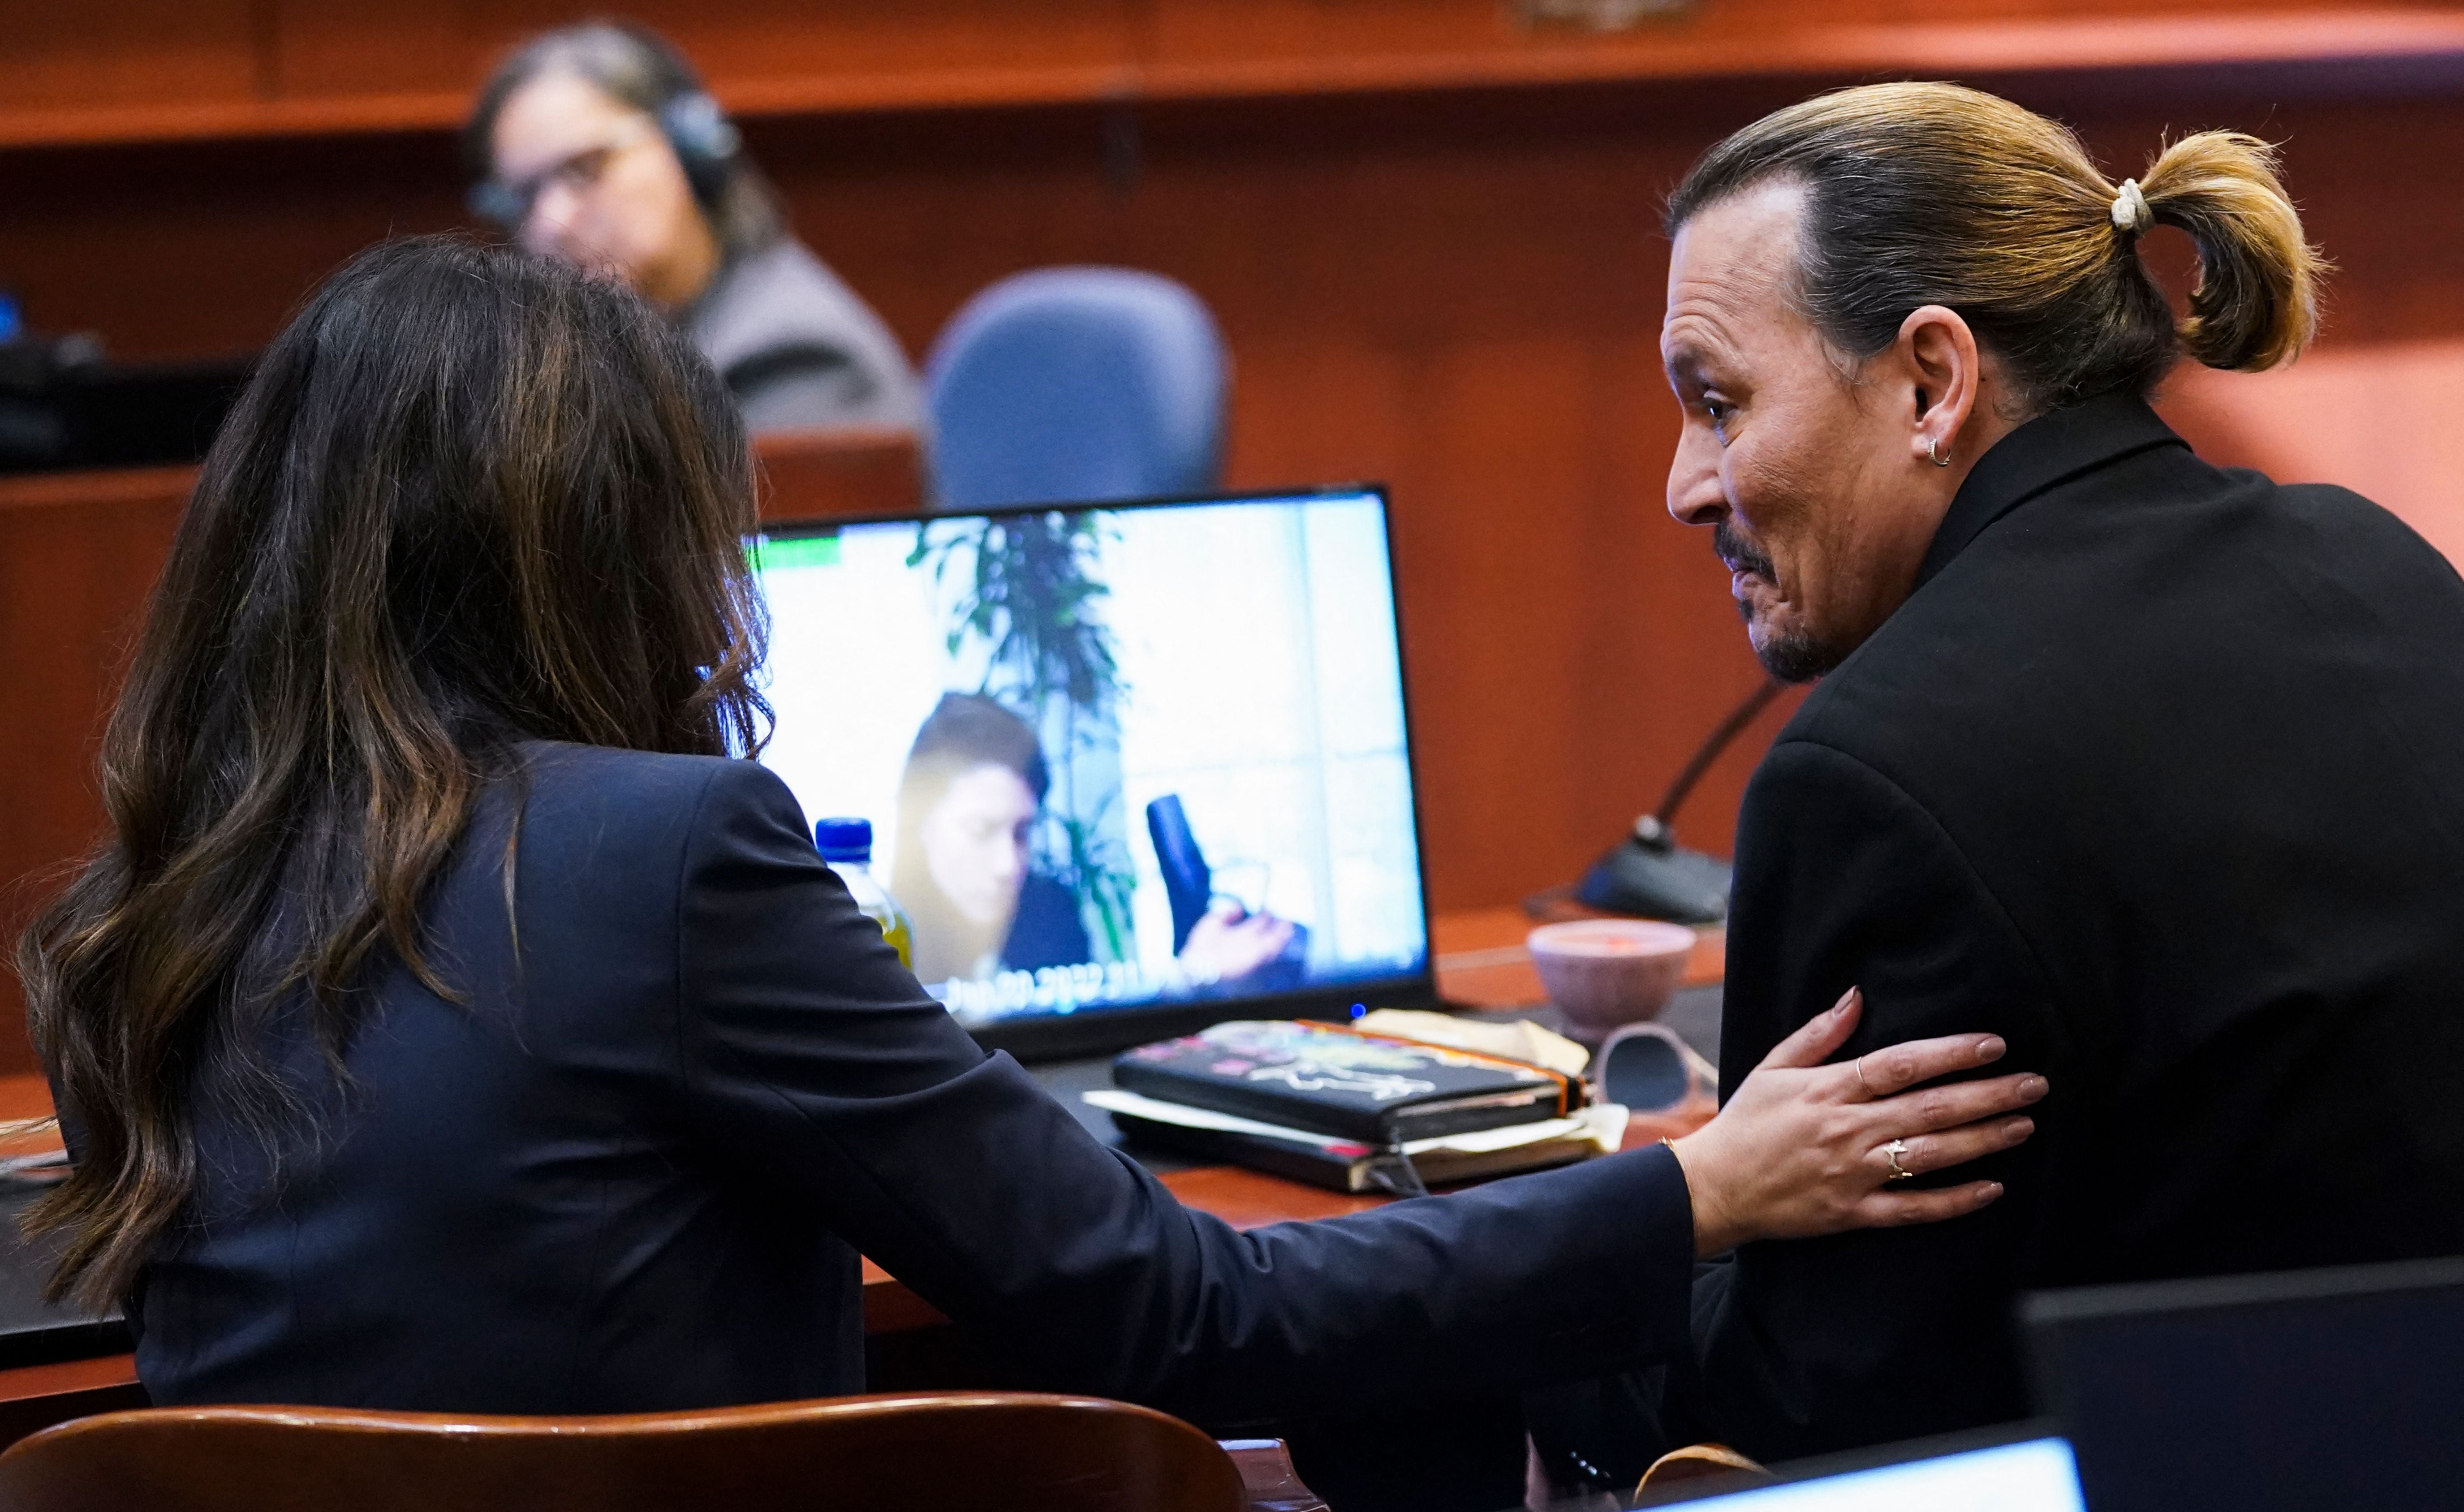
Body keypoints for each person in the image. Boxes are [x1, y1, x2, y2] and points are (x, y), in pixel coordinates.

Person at [18, 237, 2044, 1422]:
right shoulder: (666, 856)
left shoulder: (166, 908)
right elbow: (1187, 1314)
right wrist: (1691, 1186)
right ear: (608, 555)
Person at [1536, 82, 2464, 1484]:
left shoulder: (1878, 769)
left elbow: (1813, 1418)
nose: (1687, 485)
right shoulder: (2380, 560)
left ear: (1931, 380)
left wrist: (1557, 1285)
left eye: (1718, 404)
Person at [464, 20, 920, 433]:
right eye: (524, 196)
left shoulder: (795, 360)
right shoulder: (602, 357)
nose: (552, 221)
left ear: (691, 150)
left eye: (586, 168)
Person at [890, 692, 1292, 991]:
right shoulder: (876, 940)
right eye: (980, 831)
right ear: (919, 826)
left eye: (1022, 833)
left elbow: (1082, 1038)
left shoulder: (1047, 911)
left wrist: (1194, 974)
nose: (1009, 865)